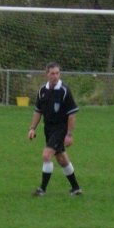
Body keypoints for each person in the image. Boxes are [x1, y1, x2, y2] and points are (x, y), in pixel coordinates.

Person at [28, 62, 82, 196]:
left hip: (61, 128)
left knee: (46, 155)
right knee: (61, 159)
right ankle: (76, 188)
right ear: (47, 74)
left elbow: (72, 114)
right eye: (52, 73)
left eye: (57, 73)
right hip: (49, 128)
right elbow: (38, 111)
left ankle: (42, 189)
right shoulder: (42, 91)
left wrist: (69, 134)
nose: (55, 76)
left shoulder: (64, 91)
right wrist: (32, 128)